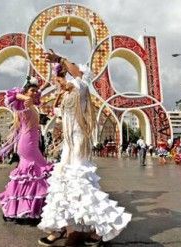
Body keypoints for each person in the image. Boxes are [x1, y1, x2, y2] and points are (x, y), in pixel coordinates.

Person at [38, 51, 131, 246]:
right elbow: (61, 119)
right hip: (68, 145)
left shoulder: (80, 87)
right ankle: (65, 228)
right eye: (59, 76)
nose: (60, 78)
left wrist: (61, 59)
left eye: (64, 74)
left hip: (79, 143)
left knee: (81, 184)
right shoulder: (64, 95)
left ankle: (100, 229)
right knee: (63, 184)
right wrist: (57, 132)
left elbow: (78, 74)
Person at [0, 77, 52, 221]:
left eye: (36, 91)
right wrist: (26, 95)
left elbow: (38, 94)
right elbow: (12, 94)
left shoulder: (31, 103)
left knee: (27, 175)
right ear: (25, 92)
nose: (35, 93)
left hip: (29, 143)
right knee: (39, 170)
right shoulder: (23, 103)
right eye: (32, 91)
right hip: (27, 144)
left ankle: (21, 208)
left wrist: (42, 86)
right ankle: (30, 209)